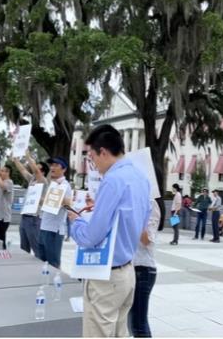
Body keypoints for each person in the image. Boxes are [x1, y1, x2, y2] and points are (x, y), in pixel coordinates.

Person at [68, 124, 151, 337]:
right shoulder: (141, 178)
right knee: (119, 333)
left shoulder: (112, 181)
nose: (92, 164)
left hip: (105, 276)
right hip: (127, 272)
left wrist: (76, 221)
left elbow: (92, 236)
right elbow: (141, 224)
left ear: (103, 152)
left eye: (91, 157)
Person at [129, 199, 160, 337]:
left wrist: (133, 216)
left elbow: (147, 240)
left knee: (139, 323)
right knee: (131, 320)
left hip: (143, 269)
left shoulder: (150, 203)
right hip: (128, 267)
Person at [13, 152, 49, 257]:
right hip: (24, 217)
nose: (34, 171)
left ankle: (41, 266)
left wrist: (27, 156)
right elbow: (22, 170)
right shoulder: (32, 179)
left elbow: (36, 171)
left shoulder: (43, 181)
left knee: (36, 247)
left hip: (33, 219)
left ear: (43, 172)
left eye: (37, 169)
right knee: (24, 248)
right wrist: (15, 159)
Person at [38, 157, 71, 268]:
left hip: (54, 230)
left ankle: (54, 283)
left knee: (53, 263)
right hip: (44, 226)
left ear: (64, 169)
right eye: (52, 165)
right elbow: (47, 204)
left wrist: (57, 197)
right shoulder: (52, 184)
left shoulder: (65, 185)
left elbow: (69, 205)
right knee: (41, 261)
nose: (52, 167)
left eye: (56, 165)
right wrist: (39, 199)